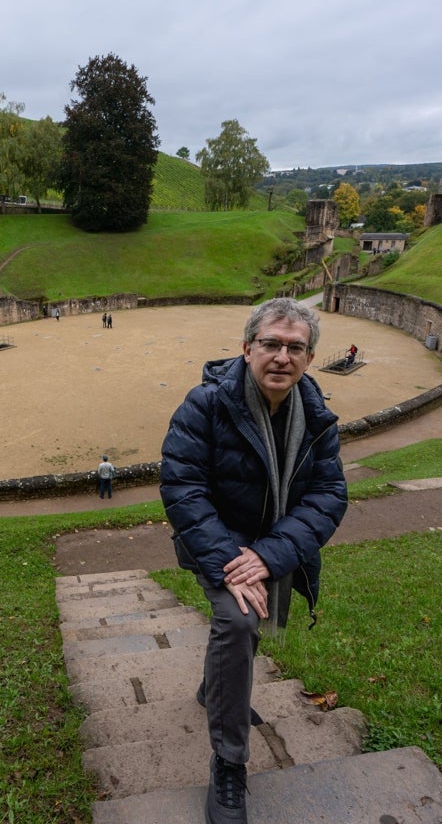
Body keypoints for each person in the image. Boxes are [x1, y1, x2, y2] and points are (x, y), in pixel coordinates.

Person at [160, 297, 348, 824]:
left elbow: (329, 494)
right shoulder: (204, 404)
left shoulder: (316, 415)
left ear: (309, 358)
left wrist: (268, 555)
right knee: (241, 620)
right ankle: (229, 761)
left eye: (295, 348)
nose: (282, 357)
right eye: (271, 344)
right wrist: (233, 559)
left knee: (249, 620)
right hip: (216, 544)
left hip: (272, 546)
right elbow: (182, 487)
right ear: (247, 349)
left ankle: (215, 688)